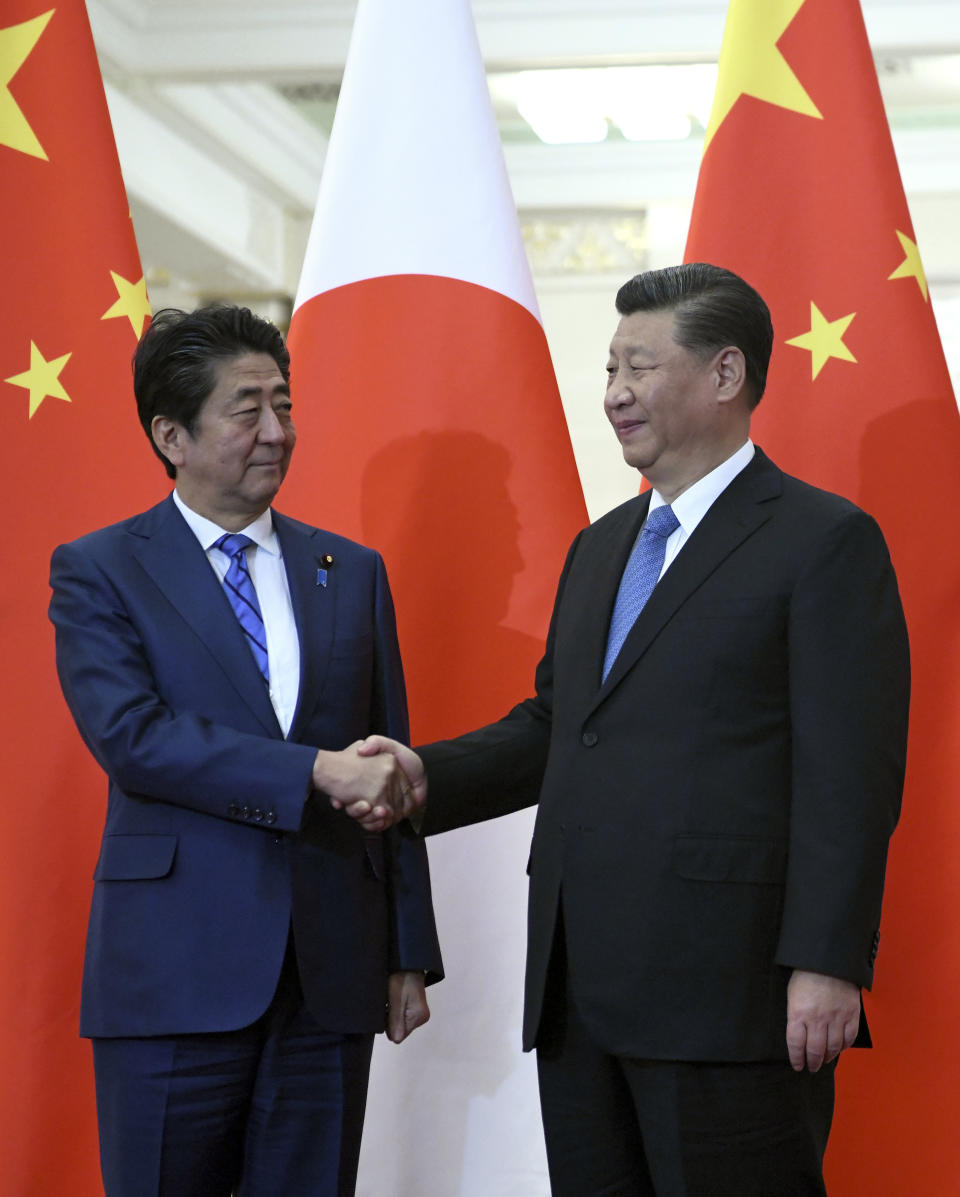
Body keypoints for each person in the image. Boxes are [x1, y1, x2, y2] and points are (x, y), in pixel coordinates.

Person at [355, 264, 910, 1195]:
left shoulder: (823, 540)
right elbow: (562, 725)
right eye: (609, 368)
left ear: (726, 374)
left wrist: (825, 961)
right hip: (581, 986)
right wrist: (421, 776)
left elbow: (849, 775)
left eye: (639, 368)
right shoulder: (602, 545)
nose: (614, 394)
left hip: (729, 994)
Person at [48, 305, 443, 1197]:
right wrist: (312, 771)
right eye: (247, 409)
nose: (277, 432)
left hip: (330, 977)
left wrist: (407, 946)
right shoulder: (101, 567)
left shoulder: (352, 571)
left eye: (285, 404)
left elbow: (389, 763)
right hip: (172, 978)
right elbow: (133, 737)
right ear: (171, 434)